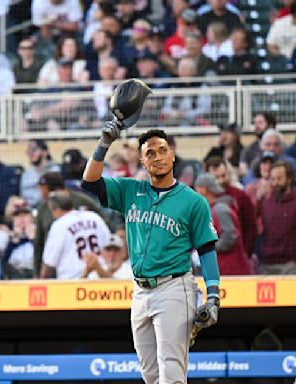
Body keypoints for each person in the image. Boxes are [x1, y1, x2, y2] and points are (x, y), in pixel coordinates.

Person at [82, 89, 220, 383]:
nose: (157, 157)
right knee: (150, 373)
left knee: (171, 369)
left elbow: (207, 250)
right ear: (142, 162)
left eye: (162, 150)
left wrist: (214, 297)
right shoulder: (131, 190)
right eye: (149, 153)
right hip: (140, 291)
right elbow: (89, 183)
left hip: (174, 286)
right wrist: (103, 143)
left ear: (172, 154)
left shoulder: (193, 201)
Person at [40, 193, 110, 279]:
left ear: (57, 210)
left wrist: (41, 280)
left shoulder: (59, 224)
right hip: (100, 277)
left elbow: (49, 262)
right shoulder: (94, 216)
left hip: (72, 281)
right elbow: (109, 244)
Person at [260, 161, 296, 274]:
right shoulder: (266, 202)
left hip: (291, 265)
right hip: (267, 263)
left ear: (289, 179)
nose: (275, 183)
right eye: (272, 179)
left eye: (279, 179)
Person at [195, 173, 251, 275]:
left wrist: (205, 248)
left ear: (204, 190)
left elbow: (229, 239)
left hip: (231, 271)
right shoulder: (215, 209)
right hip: (226, 269)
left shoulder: (220, 209)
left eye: (197, 189)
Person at [205, 157, 257, 257]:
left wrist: (245, 253)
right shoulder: (202, 199)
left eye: (223, 176)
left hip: (237, 256)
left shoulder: (240, 196)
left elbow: (251, 227)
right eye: (216, 177)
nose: (220, 180)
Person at [20, 139, 61, 207]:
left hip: (49, 207)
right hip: (29, 209)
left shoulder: (55, 171)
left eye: (34, 150)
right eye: (28, 151)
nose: (30, 153)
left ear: (45, 152)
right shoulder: (26, 174)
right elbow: (22, 195)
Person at [239, 112, 277, 177]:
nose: (257, 126)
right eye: (255, 123)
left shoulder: (281, 147)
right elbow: (243, 170)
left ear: (270, 126)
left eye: (260, 123)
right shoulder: (248, 149)